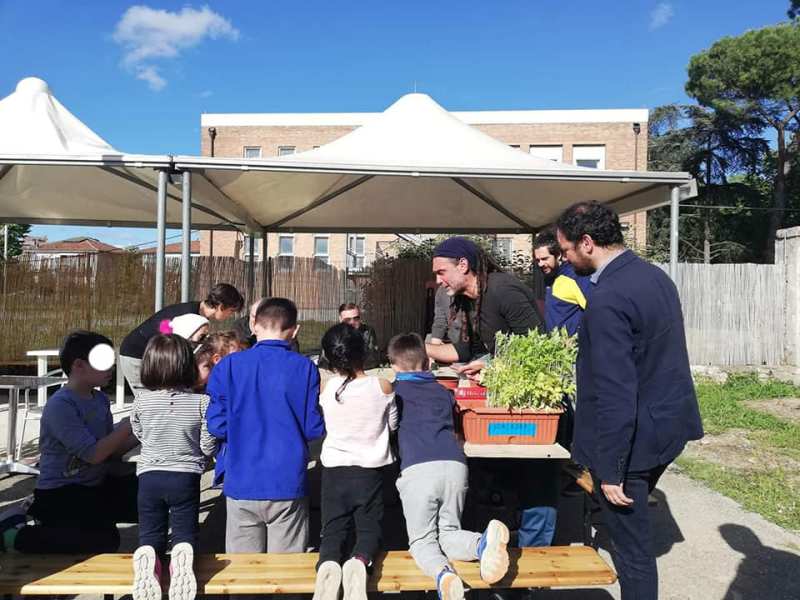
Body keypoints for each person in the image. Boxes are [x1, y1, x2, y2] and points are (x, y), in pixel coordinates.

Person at [556, 201, 703, 600]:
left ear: (587, 242)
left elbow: (615, 392)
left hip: (634, 443)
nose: (565, 259)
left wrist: (612, 469)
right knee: (632, 541)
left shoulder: (607, 298)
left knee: (632, 552)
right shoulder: (654, 277)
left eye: (566, 250)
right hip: (666, 428)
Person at [423, 237, 558, 549]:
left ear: (463, 265)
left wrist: (492, 366)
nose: (439, 280)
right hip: (506, 399)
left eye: (442, 272)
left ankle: (535, 556)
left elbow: (540, 349)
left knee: (536, 476)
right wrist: (418, 349)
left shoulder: (503, 290)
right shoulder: (468, 301)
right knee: (498, 468)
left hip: (534, 404)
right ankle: (503, 539)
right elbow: (463, 351)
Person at [388, 332, 509, 600]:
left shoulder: (395, 393)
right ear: (428, 363)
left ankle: (443, 575)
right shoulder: (443, 393)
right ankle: (481, 544)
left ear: (394, 366)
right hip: (455, 466)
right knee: (448, 533)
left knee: (422, 541)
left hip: (418, 470)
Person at [0, 331, 139, 554]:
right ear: (79, 365)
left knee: (149, 494)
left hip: (94, 484)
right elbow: (93, 454)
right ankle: (15, 534)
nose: (111, 367)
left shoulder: (100, 399)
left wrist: (142, 431)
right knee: (105, 541)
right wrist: (127, 426)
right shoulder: (61, 406)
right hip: (61, 492)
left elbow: (110, 450)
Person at [206, 297, 325, 554]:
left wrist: (241, 428)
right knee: (286, 569)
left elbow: (216, 425)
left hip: (241, 478)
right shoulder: (304, 367)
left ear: (254, 325)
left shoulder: (228, 366)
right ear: (294, 330)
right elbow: (313, 428)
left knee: (243, 569)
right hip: (287, 480)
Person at [313, 323, 397, 600]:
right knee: (369, 528)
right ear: (363, 351)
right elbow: (393, 423)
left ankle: (328, 564)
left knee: (332, 528)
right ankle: (360, 561)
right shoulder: (382, 385)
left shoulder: (327, 388)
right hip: (369, 472)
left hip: (334, 470)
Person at [130, 334, 217, 600]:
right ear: (188, 365)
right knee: (184, 530)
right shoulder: (201, 403)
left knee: (151, 530)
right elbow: (207, 445)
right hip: (185, 477)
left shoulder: (141, 401)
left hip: (149, 477)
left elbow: (139, 433)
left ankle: (150, 558)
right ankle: (181, 556)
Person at [119, 283, 244, 399]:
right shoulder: (187, 317)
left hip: (152, 355)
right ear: (221, 307)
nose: (231, 315)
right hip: (137, 355)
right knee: (150, 402)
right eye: (231, 311)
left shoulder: (196, 313)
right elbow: (172, 346)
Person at [534, 227, 592, 336]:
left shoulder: (575, 277)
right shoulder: (549, 277)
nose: (540, 264)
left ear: (558, 255)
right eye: (538, 260)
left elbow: (596, 311)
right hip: (553, 343)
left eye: (545, 259)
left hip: (572, 344)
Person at [319, 303, 381, 370]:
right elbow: (323, 361)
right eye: (347, 320)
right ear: (340, 319)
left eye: (356, 318)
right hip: (339, 372)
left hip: (361, 372)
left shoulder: (367, 331)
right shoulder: (333, 333)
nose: (352, 322)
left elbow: (373, 359)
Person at [232, 298, 300, 352]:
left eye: (260, 318)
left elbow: (293, 351)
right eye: (253, 316)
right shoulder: (239, 327)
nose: (255, 321)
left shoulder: (280, 329)